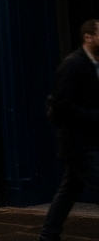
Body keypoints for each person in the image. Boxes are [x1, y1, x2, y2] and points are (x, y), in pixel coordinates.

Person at [41, 19, 99, 240]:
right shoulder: (72, 64)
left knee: (68, 192)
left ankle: (49, 235)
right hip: (78, 143)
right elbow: (63, 104)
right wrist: (95, 116)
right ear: (88, 37)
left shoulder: (94, 64)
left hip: (91, 140)